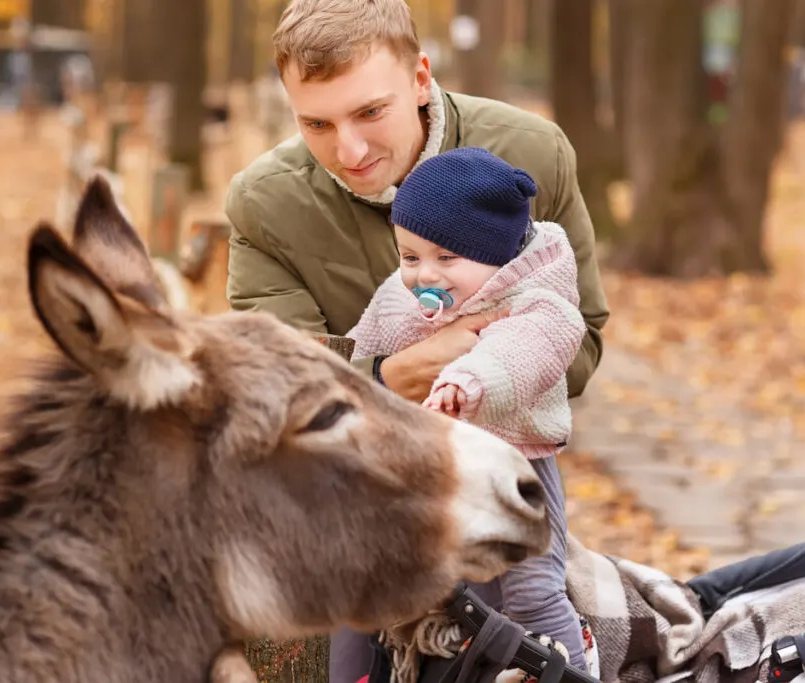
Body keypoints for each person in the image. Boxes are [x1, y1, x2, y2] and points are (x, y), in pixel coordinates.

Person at [222, 0, 611, 678]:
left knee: (515, 621)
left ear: (421, 78)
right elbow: (279, 387)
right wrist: (390, 373)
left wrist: (483, 360)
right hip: (339, 487)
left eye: (371, 112)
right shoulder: (266, 206)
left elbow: (581, 348)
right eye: (316, 123)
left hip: (496, 451)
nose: (349, 149)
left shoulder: (530, 154)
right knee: (285, 635)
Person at [345, 146, 588, 678]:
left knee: (532, 593)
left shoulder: (537, 301)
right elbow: (361, 350)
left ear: (496, 254)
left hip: (516, 461)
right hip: (434, 463)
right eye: (409, 257)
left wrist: (466, 381)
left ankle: (574, 671)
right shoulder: (406, 295)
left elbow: (524, 352)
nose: (422, 274)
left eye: (445, 258)